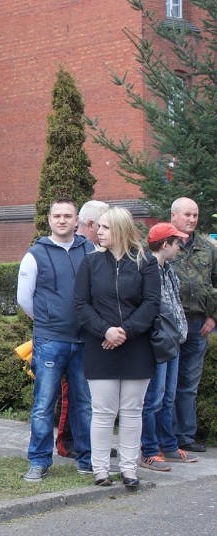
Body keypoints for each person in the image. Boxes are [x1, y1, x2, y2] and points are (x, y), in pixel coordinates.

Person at [74, 207, 160, 487]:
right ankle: (100, 469)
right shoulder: (90, 263)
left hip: (136, 346)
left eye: (106, 227)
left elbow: (151, 304)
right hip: (100, 345)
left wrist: (126, 331)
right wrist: (106, 330)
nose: (99, 231)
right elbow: (81, 305)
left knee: (133, 410)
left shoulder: (145, 262)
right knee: (103, 411)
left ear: (121, 229)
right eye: (99, 227)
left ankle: (128, 469)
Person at [17, 197, 94, 481]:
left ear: (77, 221)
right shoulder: (35, 254)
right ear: (49, 219)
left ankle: (87, 459)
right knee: (43, 404)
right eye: (57, 216)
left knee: (83, 402)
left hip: (85, 339)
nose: (62, 220)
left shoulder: (90, 249)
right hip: (50, 340)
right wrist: (48, 320)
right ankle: (38, 460)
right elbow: (24, 298)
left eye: (68, 216)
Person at [53, 200, 111, 458]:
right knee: (72, 394)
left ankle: (91, 442)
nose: (105, 231)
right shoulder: (73, 251)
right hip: (69, 333)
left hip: (94, 333)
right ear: (89, 225)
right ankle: (68, 443)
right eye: (103, 226)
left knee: (91, 396)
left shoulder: (94, 251)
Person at [139, 223, 197, 472]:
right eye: (176, 242)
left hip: (174, 342)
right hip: (159, 344)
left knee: (168, 397)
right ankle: (149, 451)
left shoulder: (168, 269)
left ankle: (168, 445)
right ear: (165, 244)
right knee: (153, 399)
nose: (179, 247)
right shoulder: (148, 269)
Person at [168, 197, 217, 453]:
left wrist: (213, 317)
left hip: (199, 325)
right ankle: (166, 436)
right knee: (166, 384)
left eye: (195, 215)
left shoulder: (209, 248)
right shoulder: (164, 244)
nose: (192, 219)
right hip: (170, 326)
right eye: (187, 214)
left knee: (188, 383)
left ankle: (185, 436)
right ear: (173, 216)